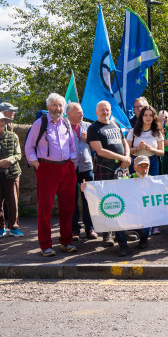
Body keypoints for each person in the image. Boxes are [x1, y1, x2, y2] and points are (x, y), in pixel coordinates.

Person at [25, 93, 77, 257]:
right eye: (54, 105)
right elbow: (29, 147)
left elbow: (72, 146)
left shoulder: (67, 123)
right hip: (47, 168)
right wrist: (37, 165)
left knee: (68, 207)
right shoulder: (39, 124)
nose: (57, 108)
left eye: (60, 105)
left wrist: (72, 164)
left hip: (67, 168)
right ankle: (46, 245)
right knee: (45, 208)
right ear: (48, 107)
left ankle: (66, 241)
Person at [87, 100, 132, 247]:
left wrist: (127, 157)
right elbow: (100, 151)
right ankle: (107, 235)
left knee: (123, 199)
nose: (105, 112)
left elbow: (124, 142)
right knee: (106, 200)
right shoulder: (93, 128)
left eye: (107, 110)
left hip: (121, 168)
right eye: (102, 110)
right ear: (96, 112)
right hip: (105, 167)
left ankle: (123, 232)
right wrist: (122, 158)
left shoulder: (116, 124)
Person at [66, 102, 97, 240]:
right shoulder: (63, 126)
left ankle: (90, 228)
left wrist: (88, 139)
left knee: (88, 198)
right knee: (71, 199)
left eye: (82, 112)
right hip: (70, 167)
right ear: (69, 113)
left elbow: (97, 146)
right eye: (78, 112)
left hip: (86, 167)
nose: (82, 114)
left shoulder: (88, 126)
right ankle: (74, 230)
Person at [127, 106, 164, 176]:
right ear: (141, 117)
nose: (148, 118)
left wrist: (152, 149)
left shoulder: (157, 132)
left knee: (152, 186)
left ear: (154, 117)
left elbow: (162, 152)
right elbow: (127, 150)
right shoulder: (133, 131)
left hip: (152, 162)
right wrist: (137, 148)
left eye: (150, 115)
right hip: (136, 161)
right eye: (145, 115)